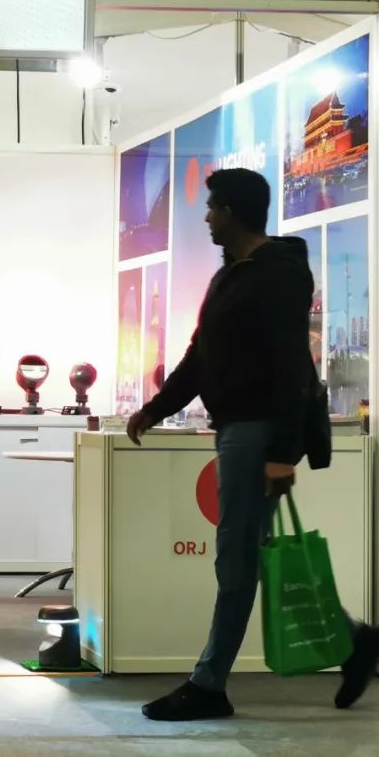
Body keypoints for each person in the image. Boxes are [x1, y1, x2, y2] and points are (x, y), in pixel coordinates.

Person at [127, 168, 378, 720]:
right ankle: (355, 642)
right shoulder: (230, 276)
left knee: (236, 559)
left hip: (257, 432)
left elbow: (290, 365)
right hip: (236, 430)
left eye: (213, 207)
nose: (206, 217)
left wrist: (282, 453)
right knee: (246, 555)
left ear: (233, 212)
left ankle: (209, 683)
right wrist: (155, 409)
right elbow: (200, 355)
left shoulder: (279, 274)